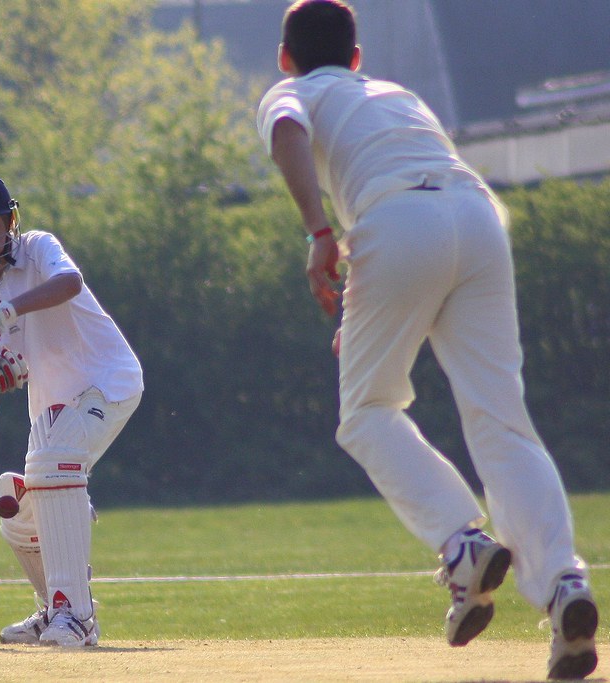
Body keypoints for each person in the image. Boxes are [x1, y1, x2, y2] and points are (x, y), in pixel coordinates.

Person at [256, 1, 598, 679]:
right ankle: (563, 586)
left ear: (284, 56)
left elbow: (289, 132)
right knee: (502, 419)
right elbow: (423, 202)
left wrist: (318, 232)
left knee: (366, 413)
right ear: (358, 57)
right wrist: (367, 312)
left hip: (396, 222)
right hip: (475, 216)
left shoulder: (292, 90)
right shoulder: (395, 92)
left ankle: (464, 544)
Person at [0, 173, 143, 647]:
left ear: (10, 221)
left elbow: (69, 283)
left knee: (54, 465)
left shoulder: (37, 248)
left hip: (106, 379)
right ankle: (54, 609)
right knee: (16, 503)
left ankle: (75, 615)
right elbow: (14, 366)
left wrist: (9, 309)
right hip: (51, 403)